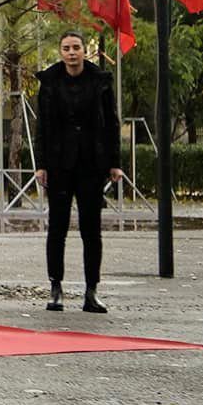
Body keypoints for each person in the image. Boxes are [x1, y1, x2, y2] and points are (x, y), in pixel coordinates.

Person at [34, 30, 123, 313]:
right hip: (59, 164)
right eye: (66, 48)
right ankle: (56, 288)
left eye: (76, 48)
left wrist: (115, 162)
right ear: (60, 52)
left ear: (85, 51)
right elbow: (43, 127)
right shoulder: (49, 82)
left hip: (91, 164)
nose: (71, 53)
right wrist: (41, 164)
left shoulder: (100, 82)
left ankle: (91, 291)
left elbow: (112, 123)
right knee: (57, 229)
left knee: (91, 230)